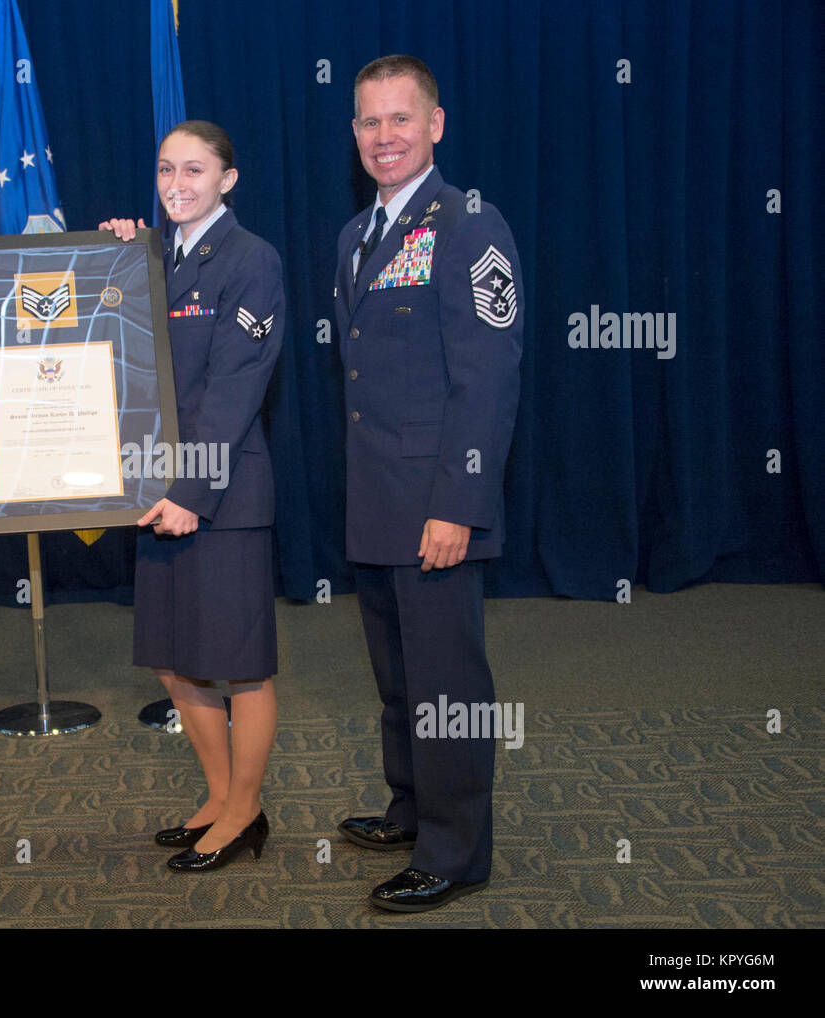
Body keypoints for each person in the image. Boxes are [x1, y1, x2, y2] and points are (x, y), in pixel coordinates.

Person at [334, 56, 523, 912]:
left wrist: (458, 503)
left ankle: (457, 849)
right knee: (399, 675)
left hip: (439, 502)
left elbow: (487, 377)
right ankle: (412, 806)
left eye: (400, 119)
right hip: (376, 498)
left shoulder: (470, 225)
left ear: (435, 125)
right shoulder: (354, 236)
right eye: (370, 123)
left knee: (449, 682)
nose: (385, 137)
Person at [100, 120, 284, 872]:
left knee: (240, 666)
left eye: (196, 171)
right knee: (179, 663)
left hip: (221, 496)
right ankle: (217, 797)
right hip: (160, 494)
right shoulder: (152, 256)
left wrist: (189, 492)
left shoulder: (252, 259)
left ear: (227, 179)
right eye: (167, 170)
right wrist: (105, 248)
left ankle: (246, 812)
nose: (179, 184)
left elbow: (233, 393)